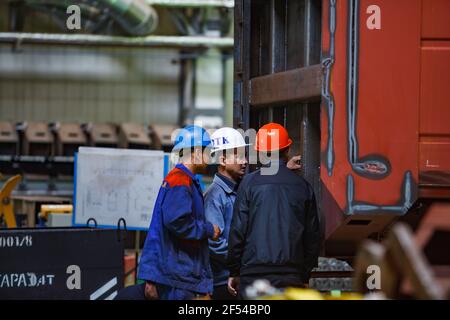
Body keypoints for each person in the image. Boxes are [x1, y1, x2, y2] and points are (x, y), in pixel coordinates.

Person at [115, 125, 220, 300]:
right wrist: (209, 230)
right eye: (206, 151)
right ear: (195, 152)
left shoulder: (183, 180)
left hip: (176, 274)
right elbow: (178, 222)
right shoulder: (180, 181)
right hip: (175, 276)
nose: (209, 157)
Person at [204, 127, 303, 300]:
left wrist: (283, 168)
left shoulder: (240, 188)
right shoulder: (215, 195)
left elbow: (261, 180)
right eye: (238, 156)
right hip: (222, 282)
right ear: (223, 159)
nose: (245, 161)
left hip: (237, 275)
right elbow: (214, 243)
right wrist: (243, 259)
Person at [227, 123, 320, 299]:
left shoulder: (248, 184)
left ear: (260, 153)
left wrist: (234, 271)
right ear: (287, 150)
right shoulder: (303, 187)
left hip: (253, 275)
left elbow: (237, 231)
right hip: (291, 276)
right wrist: (305, 274)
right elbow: (312, 236)